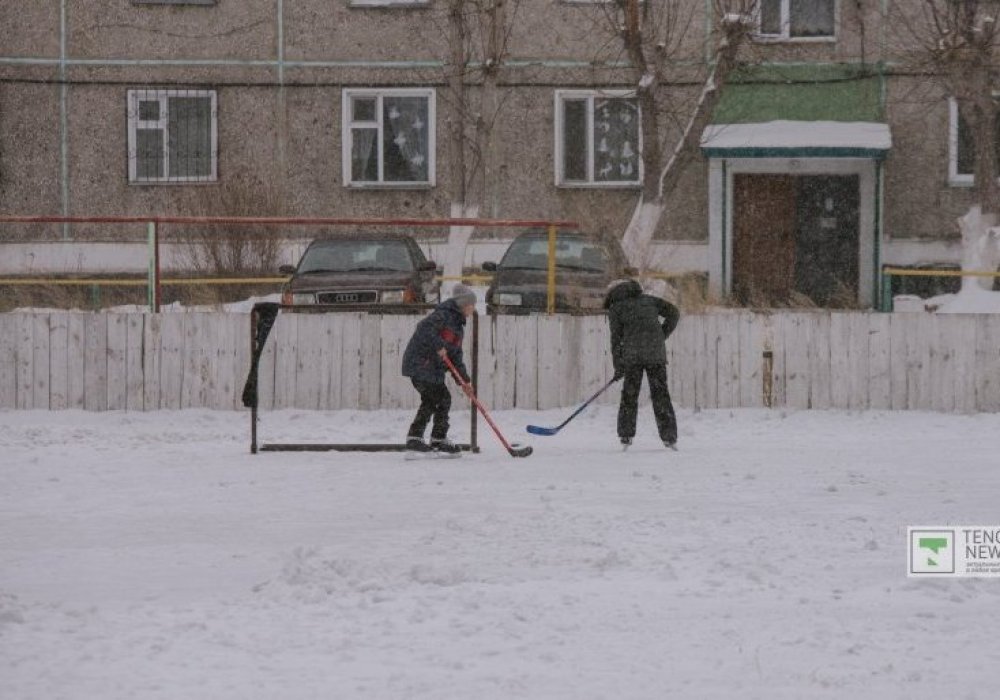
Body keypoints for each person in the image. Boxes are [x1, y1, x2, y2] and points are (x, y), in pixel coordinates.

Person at [603, 279, 681, 450]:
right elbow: (674, 313)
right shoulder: (649, 300)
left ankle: (626, 436)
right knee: (661, 395)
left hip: (633, 358)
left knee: (629, 396)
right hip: (655, 355)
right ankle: (670, 438)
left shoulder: (616, 309)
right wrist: (661, 335)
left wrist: (619, 367)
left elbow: (616, 341)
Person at [401, 284, 476, 453]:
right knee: (436, 398)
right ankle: (419, 438)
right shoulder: (444, 315)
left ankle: (435, 439)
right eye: (472, 305)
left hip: (431, 369)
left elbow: (456, 357)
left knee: (439, 399)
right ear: (464, 304)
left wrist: (464, 381)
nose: (473, 309)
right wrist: (439, 346)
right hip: (420, 364)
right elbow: (423, 329)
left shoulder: (458, 326)